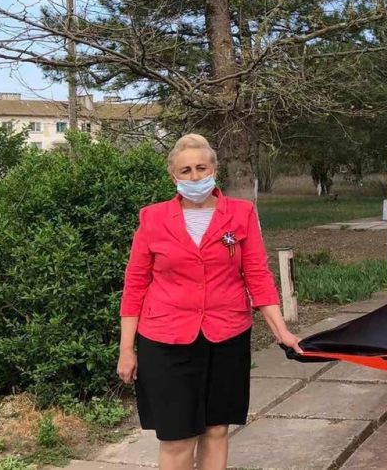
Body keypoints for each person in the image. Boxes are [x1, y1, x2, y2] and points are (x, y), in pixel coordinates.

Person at [117, 134, 302, 470]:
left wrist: (281, 331)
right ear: (174, 176)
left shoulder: (241, 214)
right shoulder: (153, 218)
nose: (195, 176)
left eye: (201, 167)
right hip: (166, 340)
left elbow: (257, 276)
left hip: (226, 337)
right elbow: (135, 285)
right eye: (185, 170)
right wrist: (126, 349)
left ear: (214, 169)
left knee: (217, 429)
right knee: (177, 438)